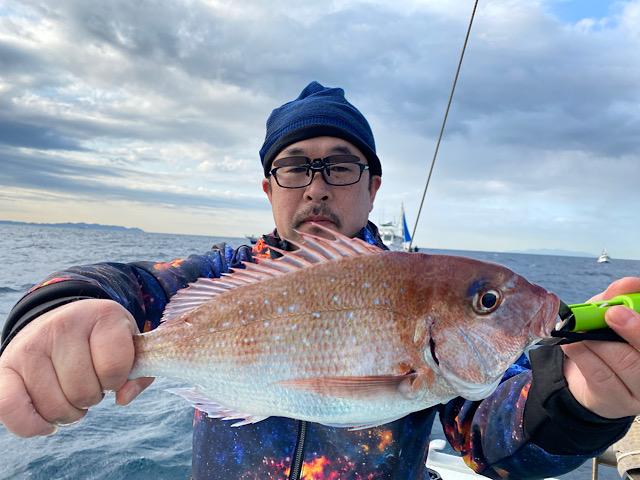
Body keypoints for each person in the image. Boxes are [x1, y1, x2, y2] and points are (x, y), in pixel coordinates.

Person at [1, 81, 639, 480]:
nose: (316, 187)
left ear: (373, 184)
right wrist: (60, 309)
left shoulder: (419, 286)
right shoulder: (225, 275)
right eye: (294, 167)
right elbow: (124, 284)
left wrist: (579, 404)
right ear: (268, 187)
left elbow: (492, 439)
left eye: (339, 166)